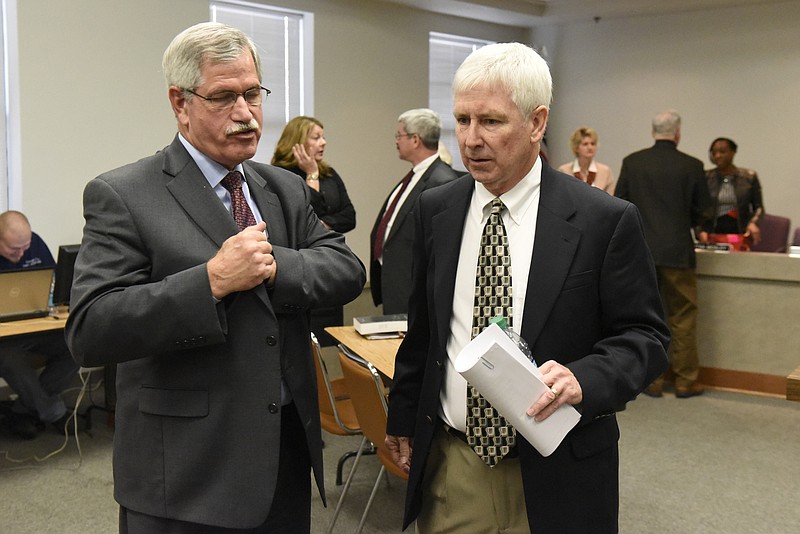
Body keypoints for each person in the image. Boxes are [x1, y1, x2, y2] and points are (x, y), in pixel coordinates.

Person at [64, 22, 365, 533]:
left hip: (282, 463)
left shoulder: (284, 188)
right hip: (185, 476)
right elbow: (91, 329)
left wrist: (271, 266)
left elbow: (346, 269)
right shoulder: (124, 194)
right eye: (224, 97)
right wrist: (210, 282)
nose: (246, 114)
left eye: (252, 93)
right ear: (180, 103)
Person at [385, 43, 669, 533]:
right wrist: (403, 416)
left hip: (559, 471)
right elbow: (426, 330)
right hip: (456, 465)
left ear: (537, 123)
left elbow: (646, 338)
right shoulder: (437, 210)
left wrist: (586, 378)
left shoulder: (604, 221)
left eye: (491, 122)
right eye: (463, 120)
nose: (471, 140)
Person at [615, 110, 713, 399]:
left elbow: (619, 204)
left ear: (653, 132)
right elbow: (704, 212)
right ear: (678, 133)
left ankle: (651, 381)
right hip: (679, 253)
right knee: (682, 315)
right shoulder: (693, 166)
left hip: (640, 252)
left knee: (646, 318)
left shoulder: (633, 163)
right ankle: (685, 381)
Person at [272, 115, 356, 345]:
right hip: (299, 273)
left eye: (324, 137)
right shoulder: (280, 176)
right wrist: (310, 175)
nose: (323, 142)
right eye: (316, 137)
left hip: (327, 271)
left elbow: (349, 216)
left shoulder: (329, 173)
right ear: (297, 142)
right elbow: (303, 219)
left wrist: (320, 225)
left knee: (330, 341)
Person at [0, 210, 81, 440]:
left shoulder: (34, 243)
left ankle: (23, 410)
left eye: (25, 246)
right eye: (14, 249)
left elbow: (54, 282)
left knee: (75, 344)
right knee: (11, 360)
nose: (22, 252)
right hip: (3, 339)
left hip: (34, 327)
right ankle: (53, 412)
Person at [370, 108, 458, 315]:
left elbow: (441, 248)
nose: (396, 141)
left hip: (414, 293)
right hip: (396, 284)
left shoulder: (441, 181)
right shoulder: (415, 175)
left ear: (415, 139)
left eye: (399, 135)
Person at [703, 137, 764, 244]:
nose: (717, 156)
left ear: (733, 152)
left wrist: (753, 223)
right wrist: (699, 230)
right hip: (711, 233)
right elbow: (696, 207)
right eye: (714, 152)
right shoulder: (706, 177)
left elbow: (758, 207)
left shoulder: (749, 177)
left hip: (740, 231)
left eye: (722, 152)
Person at [558, 126, 616, 194]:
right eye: (585, 144)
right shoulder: (564, 171)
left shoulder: (605, 171)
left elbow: (610, 199)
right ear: (576, 148)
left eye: (593, 144)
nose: (590, 147)